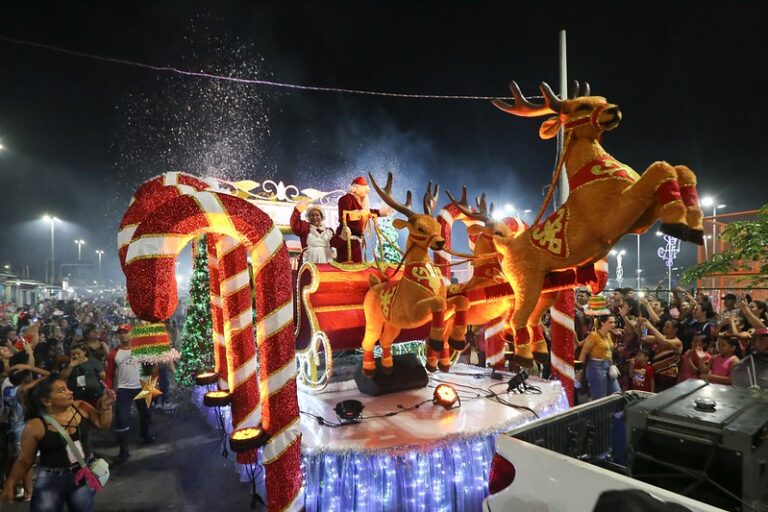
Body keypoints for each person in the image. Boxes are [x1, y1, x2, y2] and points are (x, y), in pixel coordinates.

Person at [1, 377, 114, 510]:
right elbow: (25, 460)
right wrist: (11, 483)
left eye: (67, 388)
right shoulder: (36, 426)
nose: (70, 392)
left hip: (82, 475)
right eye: (62, 390)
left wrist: (106, 406)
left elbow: (102, 424)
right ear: (47, 401)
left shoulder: (81, 407)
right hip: (51, 480)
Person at [105, 324, 154, 464]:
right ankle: (123, 450)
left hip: (143, 387)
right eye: (120, 333)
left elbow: (151, 367)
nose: (123, 335)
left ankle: (145, 434)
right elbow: (109, 374)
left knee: (146, 415)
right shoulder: (113, 353)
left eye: (125, 332)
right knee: (121, 420)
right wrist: (108, 390)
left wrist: (152, 383)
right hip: (124, 390)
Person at [334, 176, 392, 263]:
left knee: (357, 264)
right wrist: (360, 215)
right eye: (365, 192)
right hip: (347, 239)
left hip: (356, 240)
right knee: (347, 264)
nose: (366, 194)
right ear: (357, 189)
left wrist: (381, 212)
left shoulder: (359, 201)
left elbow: (367, 211)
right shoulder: (346, 199)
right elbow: (345, 216)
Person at [577, 308, 621, 400]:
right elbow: (584, 353)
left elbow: (609, 351)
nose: (613, 325)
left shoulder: (608, 335)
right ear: (602, 323)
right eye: (610, 322)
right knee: (600, 397)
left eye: (614, 322)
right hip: (596, 367)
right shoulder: (594, 336)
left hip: (608, 365)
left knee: (617, 393)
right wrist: (580, 370)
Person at [290, 200, 335, 264]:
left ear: (322, 217)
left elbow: (336, 243)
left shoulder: (329, 231)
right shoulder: (305, 228)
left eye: (317, 215)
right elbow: (295, 224)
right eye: (312, 215)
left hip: (325, 260)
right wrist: (297, 211)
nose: (315, 217)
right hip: (308, 260)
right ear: (308, 217)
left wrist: (344, 234)